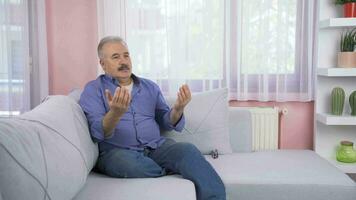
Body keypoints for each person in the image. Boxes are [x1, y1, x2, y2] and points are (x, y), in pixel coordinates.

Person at [79, 36, 226, 200]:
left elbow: (166, 121)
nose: (123, 61)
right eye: (116, 57)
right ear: (103, 64)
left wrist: (178, 109)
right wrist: (115, 114)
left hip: (157, 147)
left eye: (126, 55)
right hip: (118, 152)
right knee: (125, 163)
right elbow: (97, 133)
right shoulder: (93, 90)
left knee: (188, 150)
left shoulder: (150, 87)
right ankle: (168, 168)